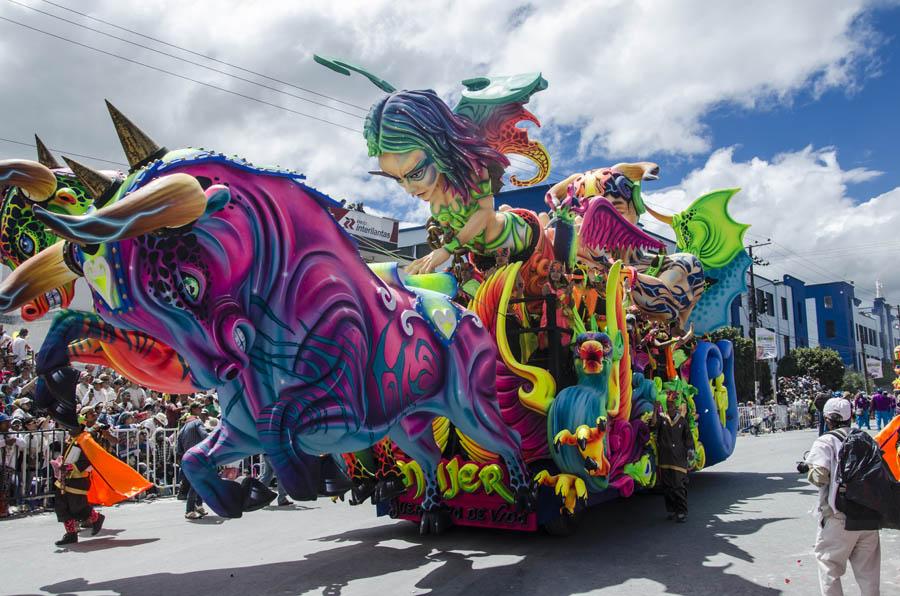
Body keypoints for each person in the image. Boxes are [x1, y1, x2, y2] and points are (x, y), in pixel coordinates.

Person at [805, 398, 881, 595]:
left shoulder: (825, 441)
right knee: (869, 575)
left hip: (839, 517)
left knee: (829, 567)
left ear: (827, 418)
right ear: (851, 417)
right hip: (868, 516)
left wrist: (809, 467)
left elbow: (820, 477)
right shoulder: (866, 438)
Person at [52, 415, 151, 546]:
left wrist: (70, 467)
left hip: (78, 479)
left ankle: (97, 518)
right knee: (62, 505)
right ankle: (71, 534)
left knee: (78, 507)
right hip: (65, 478)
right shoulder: (72, 438)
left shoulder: (86, 440)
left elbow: (90, 458)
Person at [651, 393, 694, 523]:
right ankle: (672, 510)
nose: (670, 408)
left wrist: (690, 451)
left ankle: (682, 511)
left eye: (672, 405)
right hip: (665, 459)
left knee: (678, 486)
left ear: (676, 406)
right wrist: (654, 410)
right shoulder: (662, 419)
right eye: (668, 405)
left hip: (679, 459)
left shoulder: (682, 421)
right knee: (667, 487)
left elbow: (688, 439)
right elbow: (652, 426)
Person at [176, 401, 209, 520]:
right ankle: (189, 510)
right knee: (197, 483)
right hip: (197, 456)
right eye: (200, 409)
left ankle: (198, 506)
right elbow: (205, 436)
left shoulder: (183, 427)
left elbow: (178, 448)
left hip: (186, 458)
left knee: (198, 482)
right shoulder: (197, 422)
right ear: (194, 410)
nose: (201, 411)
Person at [0, 412, 26, 517]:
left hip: (9, 465)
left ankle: (3, 510)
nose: (8, 424)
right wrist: (5, 442)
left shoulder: (12, 433)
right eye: (5, 423)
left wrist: (15, 440)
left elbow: (23, 443)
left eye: (8, 422)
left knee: (5, 489)